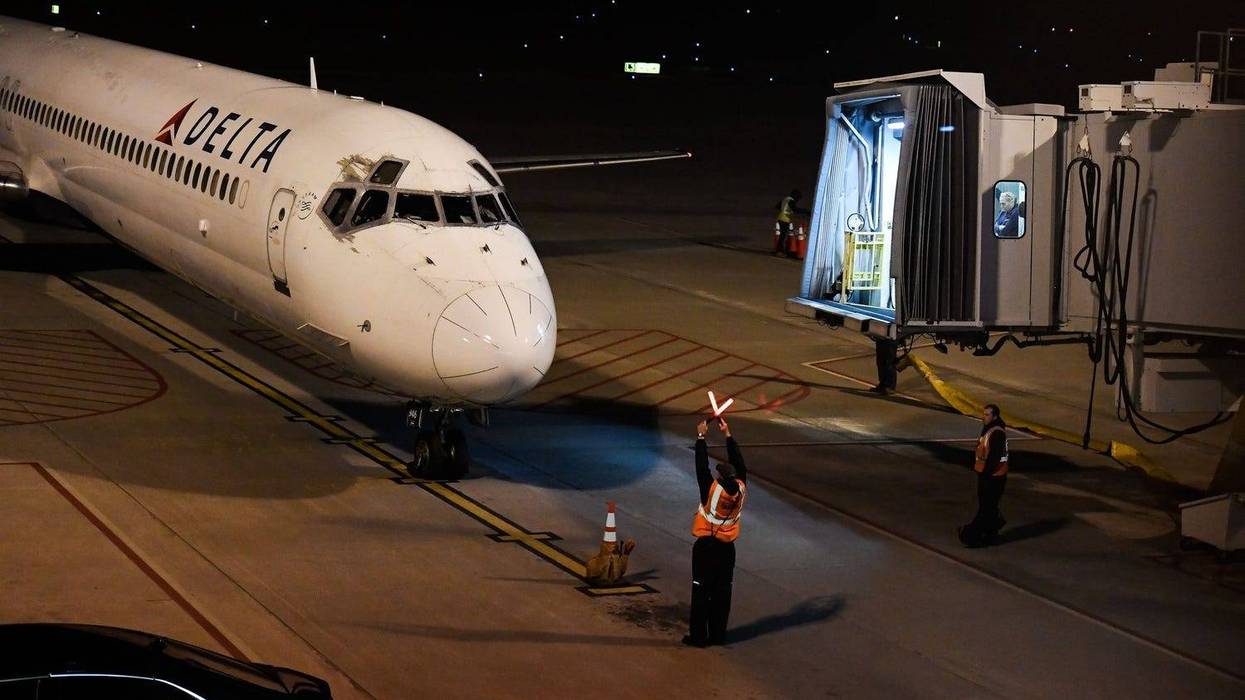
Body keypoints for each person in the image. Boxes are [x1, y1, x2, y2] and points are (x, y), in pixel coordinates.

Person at [684, 417, 747, 647]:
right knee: (722, 593)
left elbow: (701, 466)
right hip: (727, 549)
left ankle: (699, 637)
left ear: (720, 478)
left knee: (701, 590)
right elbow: (740, 465)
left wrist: (701, 437)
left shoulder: (711, 490)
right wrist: (728, 435)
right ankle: (718, 634)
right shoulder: (740, 489)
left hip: (706, 547)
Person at [958, 403, 1009, 547]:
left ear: (995, 416)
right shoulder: (990, 430)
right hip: (987, 475)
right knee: (988, 507)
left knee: (986, 508)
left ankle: (969, 534)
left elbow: (995, 457)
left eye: (987, 415)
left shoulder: (996, 432)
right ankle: (991, 534)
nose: (983, 417)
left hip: (993, 477)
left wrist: (986, 473)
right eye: (984, 414)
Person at [774, 189, 809, 257]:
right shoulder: (791, 201)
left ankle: (781, 250)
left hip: (780, 218)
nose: (797, 200)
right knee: (783, 237)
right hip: (785, 220)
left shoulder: (786, 199)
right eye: (798, 198)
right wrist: (806, 211)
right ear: (795, 196)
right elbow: (795, 209)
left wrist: (784, 210)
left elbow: (777, 206)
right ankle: (779, 251)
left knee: (782, 236)